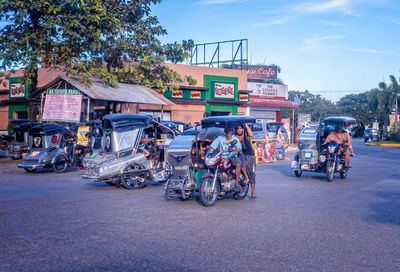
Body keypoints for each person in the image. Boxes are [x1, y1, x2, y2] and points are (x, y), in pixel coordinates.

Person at [235, 123, 257, 198]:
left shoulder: (246, 134)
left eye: (240, 128)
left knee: (252, 172)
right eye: (237, 128)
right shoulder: (235, 136)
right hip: (240, 154)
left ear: (243, 129)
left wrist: (246, 125)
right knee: (239, 164)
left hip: (250, 155)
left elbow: (251, 134)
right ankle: (244, 178)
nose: (239, 130)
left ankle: (253, 191)